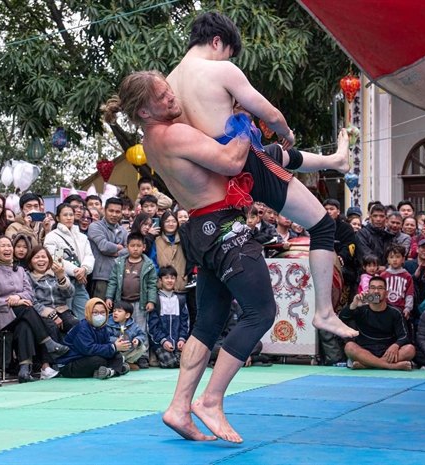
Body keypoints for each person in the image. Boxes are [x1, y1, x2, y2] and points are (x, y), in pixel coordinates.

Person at [101, 71, 288, 443]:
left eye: (169, 90)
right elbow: (232, 161)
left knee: (208, 324)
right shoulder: (172, 135)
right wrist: (242, 117)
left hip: (203, 229)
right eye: (162, 96)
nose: (172, 97)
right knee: (261, 312)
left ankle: (179, 407)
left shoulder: (152, 140)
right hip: (222, 227)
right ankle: (211, 400)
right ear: (143, 112)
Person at [168, 11, 356, 341]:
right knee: (323, 226)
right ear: (217, 42)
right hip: (242, 164)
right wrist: (287, 131)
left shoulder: (168, 84)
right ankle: (324, 312)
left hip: (208, 176)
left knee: (272, 153)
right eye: (228, 52)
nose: (227, 60)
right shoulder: (219, 69)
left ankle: (335, 160)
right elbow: (269, 113)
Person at [0, 236, 69, 382]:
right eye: (3, 246)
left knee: (25, 325)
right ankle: (49, 343)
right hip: (2, 315)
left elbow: (29, 293)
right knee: (27, 309)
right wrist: (11, 302)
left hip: (21, 315)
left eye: (9, 245)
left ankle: (24, 370)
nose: (7, 249)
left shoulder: (20, 270)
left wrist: (18, 297)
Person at [105, 233, 157, 370]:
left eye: (138, 246)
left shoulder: (148, 264)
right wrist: (109, 297)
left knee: (141, 328)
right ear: (127, 246)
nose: (135, 249)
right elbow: (113, 281)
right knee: (121, 329)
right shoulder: (120, 262)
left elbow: (152, 284)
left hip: (140, 302)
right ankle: (123, 356)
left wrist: (151, 301)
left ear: (144, 247)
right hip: (122, 302)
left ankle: (143, 356)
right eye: (132, 246)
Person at [340, 276, 415, 370]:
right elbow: (342, 318)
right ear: (368, 291)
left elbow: (404, 336)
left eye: (380, 288)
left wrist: (396, 345)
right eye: (373, 288)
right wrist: (353, 305)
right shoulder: (360, 308)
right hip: (365, 350)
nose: (376, 291)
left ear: (386, 293)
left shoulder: (395, 312)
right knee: (349, 347)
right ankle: (390, 366)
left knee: (410, 349)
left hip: (388, 351)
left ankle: (367, 364)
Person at [56, 298, 131, 379]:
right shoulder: (82, 327)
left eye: (102, 312)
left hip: (87, 358)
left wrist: (117, 346)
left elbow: (106, 344)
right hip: (70, 364)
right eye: (95, 312)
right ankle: (117, 369)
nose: (99, 316)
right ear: (88, 312)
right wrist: (114, 347)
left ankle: (110, 372)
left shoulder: (103, 327)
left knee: (117, 356)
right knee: (98, 360)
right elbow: (88, 350)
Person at [44, 203, 94, 319]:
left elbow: (89, 255)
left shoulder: (82, 237)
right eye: (65, 215)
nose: (69, 218)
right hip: (63, 281)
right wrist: (76, 271)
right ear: (58, 218)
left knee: (87, 314)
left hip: (80, 280)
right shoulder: (52, 236)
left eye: (71, 215)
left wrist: (84, 269)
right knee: (67, 316)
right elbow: (57, 259)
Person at [27, 245, 79, 335]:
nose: (41, 260)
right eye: (37, 257)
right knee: (52, 327)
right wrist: (51, 315)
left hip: (62, 310)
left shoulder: (58, 272)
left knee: (77, 325)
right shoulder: (28, 276)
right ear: (30, 261)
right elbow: (31, 300)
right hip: (43, 313)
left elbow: (70, 294)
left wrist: (61, 276)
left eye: (44, 257)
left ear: (49, 260)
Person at [149, 266, 190, 368]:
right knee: (170, 363)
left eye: (172, 278)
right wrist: (163, 341)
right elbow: (152, 326)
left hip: (177, 342)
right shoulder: (156, 299)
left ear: (176, 280)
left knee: (187, 362)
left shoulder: (180, 299)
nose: (169, 280)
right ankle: (155, 354)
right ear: (160, 280)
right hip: (160, 343)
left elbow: (185, 322)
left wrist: (182, 339)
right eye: (166, 278)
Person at [88, 197, 128, 300]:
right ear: (104, 210)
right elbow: (104, 246)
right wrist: (119, 247)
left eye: (117, 212)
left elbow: (130, 250)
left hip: (120, 276)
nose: (114, 214)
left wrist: (117, 253)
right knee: (100, 307)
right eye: (111, 211)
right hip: (101, 276)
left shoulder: (123, 230)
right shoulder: (95, 226)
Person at [106, 300, 147, 369]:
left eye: (119, 311)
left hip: (127, 350)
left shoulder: (133, 326)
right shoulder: (108, 324)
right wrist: (115, 340)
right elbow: (106, 337)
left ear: (127, 315)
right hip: (115, 350)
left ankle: (128, 362)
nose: (115, 313)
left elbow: (142, 334)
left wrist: (137, 339)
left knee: (142, 347)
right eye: (114, 311)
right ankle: (117, 363)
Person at [154, 211, 188, 292]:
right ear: (162, 223)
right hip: (162, 288)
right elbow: (153, 262)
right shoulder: (156, 241)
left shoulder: (184, 239)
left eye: (174, 221)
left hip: (182, 285)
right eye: (167, 221)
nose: (171, 224)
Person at [380, 244, 414, 320]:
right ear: (388, 260)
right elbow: (378, 292)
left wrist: (407, 308)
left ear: (403, 259)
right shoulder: (383, 275)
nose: (394, 260)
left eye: (398, 257)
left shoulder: (407, 276)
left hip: (400, 310)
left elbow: (409, 294)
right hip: (384, 309)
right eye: (391, 257)